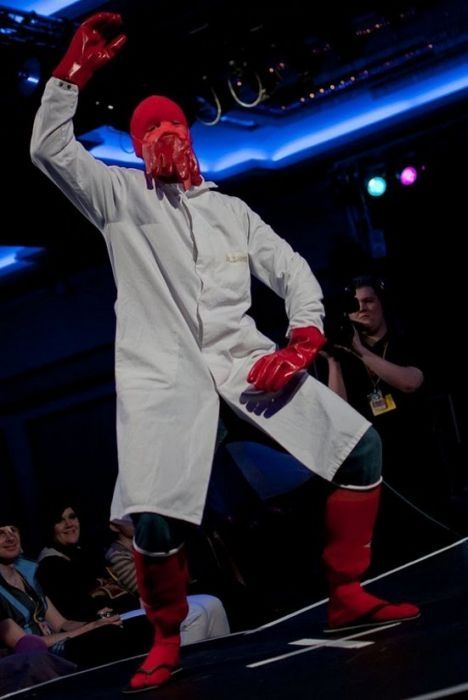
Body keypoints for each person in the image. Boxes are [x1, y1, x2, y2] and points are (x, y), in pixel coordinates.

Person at [30, 13, 419, 692]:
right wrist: (71, 75)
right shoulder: (119, 197)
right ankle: (165, 638)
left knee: (361, 451)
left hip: (248, 368)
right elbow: (48, 149)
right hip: (166, 379)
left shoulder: (230, 211)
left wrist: (302, 339)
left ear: (190, 134)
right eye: (150, 130)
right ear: (136, 144)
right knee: (155, 519)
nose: (165, 136)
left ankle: (347, 592)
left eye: (172, 126)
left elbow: (292, 271)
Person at [323, 275, 442, 510]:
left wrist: (359, 350)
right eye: (355, 304)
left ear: (382, 303)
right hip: (377, 469)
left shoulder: (406, 341)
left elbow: (410, 382)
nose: (362, 309)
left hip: (420, 457)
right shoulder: (346, 357)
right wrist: (333, 361)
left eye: (368, 301)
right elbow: (338, 413)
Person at [0, 517, 141, 671]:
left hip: (58, 643)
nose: (10, 537)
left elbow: (61, 624)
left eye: (13, 530)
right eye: (1, 533)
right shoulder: (48, 565)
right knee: (102, 640)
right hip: (36, 658)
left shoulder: (28, 571)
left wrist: (100, 622)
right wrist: (90, 627)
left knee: (121, 628)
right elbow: (26, 644)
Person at [107, 518, 231, 644]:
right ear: (114, 526)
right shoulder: (117, 553)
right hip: (132, 608)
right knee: (193, 613)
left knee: (212, 602)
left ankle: (220, 652)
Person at [36, 500, 139, 621]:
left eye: (72, 517)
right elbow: (81, 611)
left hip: (130, 614)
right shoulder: (50, 565)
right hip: (109, 624)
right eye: (59, 520)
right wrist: (115, 617)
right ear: (50, 527)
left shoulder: (85, 552)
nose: (69, 524)